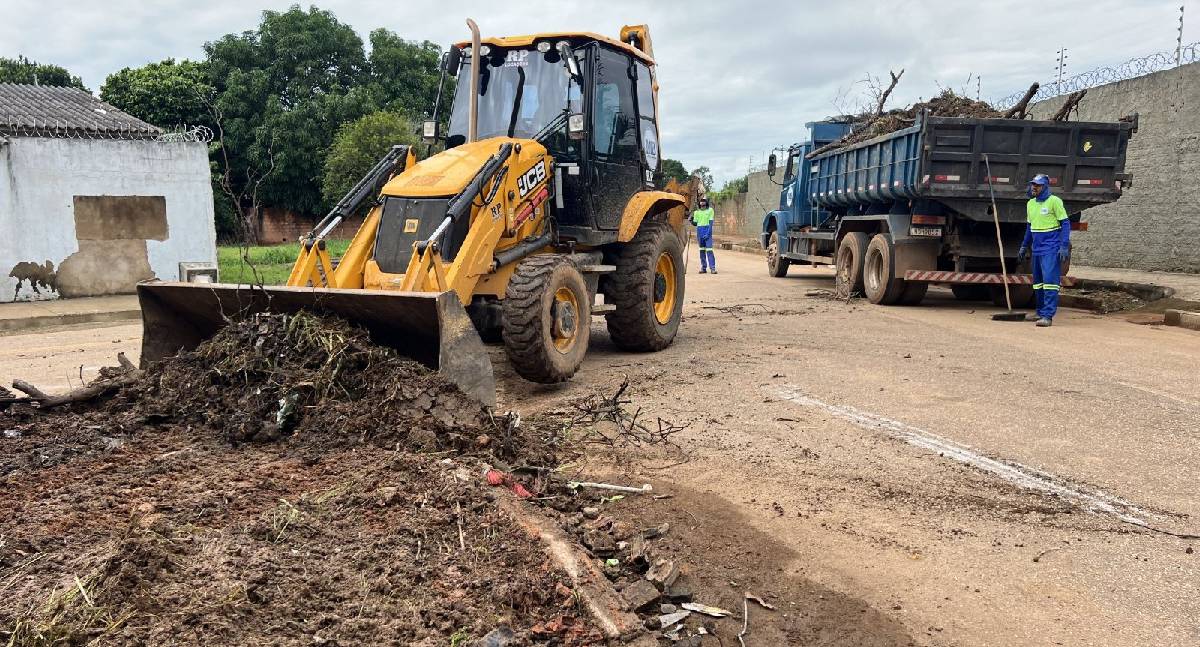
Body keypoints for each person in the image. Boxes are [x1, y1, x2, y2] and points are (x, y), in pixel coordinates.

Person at [1017, 174, 1070, 327]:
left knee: (1050, 283)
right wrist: (1024, 245)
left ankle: (1048, 316)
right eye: (1033, 184)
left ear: (1045, 187)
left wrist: (1064, 245)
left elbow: (1065, 224)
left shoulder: (1055, 201)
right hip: (1037, 249)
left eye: (1038, 185)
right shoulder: (1030, 204)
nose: (1034, 187)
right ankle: (1040, 312)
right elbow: (1029, 227)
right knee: (1038, 283)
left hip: (1051, 249)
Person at [690, 198, 716, 274]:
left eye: (704, 204)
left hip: (707, 230)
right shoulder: (696, 212)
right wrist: (691, 220)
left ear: (706, 204)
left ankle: (712, 268)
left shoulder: (710, 210)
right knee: (702, 251)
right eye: (701, 204)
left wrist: (708, 233)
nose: (702, 206)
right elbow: (695, 223)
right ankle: (703, 268)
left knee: (709, 250)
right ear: (699, 205)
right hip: (699, 232)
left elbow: (711, 223)